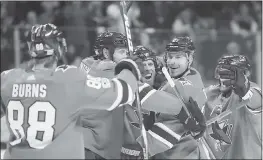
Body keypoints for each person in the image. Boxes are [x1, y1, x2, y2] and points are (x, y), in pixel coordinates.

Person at [0, 24, 142, 159]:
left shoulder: (8, 79)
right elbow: (124, 91)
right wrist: (129, 67)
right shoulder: (68, 80)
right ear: (60, 49)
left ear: (31, 49)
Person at [142, 37, 208, 159]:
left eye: (178, 57)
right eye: (170, 56)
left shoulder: (181, 91)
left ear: (190, 59)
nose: (172, 62)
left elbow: (157, 141)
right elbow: (156, 60)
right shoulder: (193, 74)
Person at [203, 55, 262, 159]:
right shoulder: (210, 94)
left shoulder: (252, 91)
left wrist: (244, 87)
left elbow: (255, 101)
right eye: (222, 72)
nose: (223, 78)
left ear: (245, 74)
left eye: (230, 74)